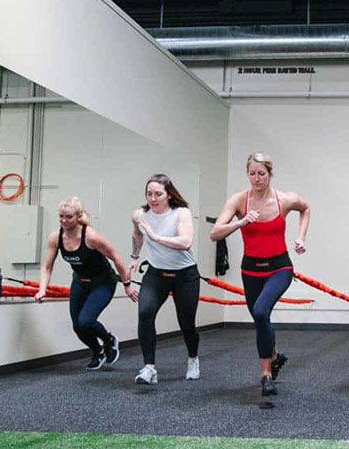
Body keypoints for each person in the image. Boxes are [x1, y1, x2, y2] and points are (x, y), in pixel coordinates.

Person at [211, 153, 311, 396]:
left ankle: (266, 375)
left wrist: (301, 237)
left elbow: (305, 208)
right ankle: (275, 356)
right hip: (251, 269)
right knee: (261, 320)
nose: (256, 179)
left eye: (261, 174)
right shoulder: (238, 201)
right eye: (252, 174)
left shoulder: (284, 200)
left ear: (270, 174)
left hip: (280, 268)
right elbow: (215, 233)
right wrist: (241, 222)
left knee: (260, 311)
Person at [35, 197, 139, 370]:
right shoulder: (56, 237)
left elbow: (117, 259)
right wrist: (42, 289)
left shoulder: (91, 237)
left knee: (85, 321)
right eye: (61, 216)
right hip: (80, 283)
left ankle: (109, 340)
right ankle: (98, 352)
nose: (63, 221)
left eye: (68, 217)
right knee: (78, 326)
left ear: (78, 216)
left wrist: (127, 285)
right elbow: (46, 266)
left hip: (103, 283)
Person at [131, 174, 200, 385]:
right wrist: (134, 257)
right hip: (156, 274)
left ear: (168, 195)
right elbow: (137, 234)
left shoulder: (181, 213)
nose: (153, 198)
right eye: (149, 194)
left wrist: (156, 237)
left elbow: (185, 241)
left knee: (186, 323)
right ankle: (149, 367)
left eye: (158, 194)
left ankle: (193, 359)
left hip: (185, 275)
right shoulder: (140, 215)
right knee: (145, 313)